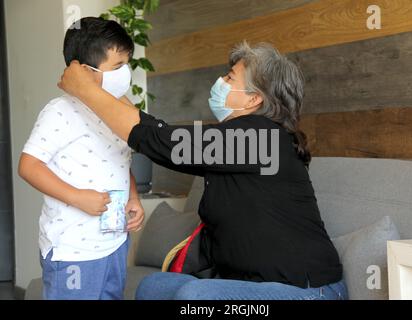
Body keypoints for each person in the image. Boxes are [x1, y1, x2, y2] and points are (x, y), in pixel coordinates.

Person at [57, 41, 348, 300]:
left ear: (253, 99)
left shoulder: (261, 137)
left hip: (308, 292)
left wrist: (85, 90)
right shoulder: (236, 142)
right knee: (153, 287)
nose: (220, 81)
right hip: (251, 286)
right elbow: (159, 132)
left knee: (196, 296)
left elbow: (162, 142)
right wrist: (104, 85)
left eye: (229, 77)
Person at [18, 17, 145, 300]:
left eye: (127, 64)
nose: (125, 73)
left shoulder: (116, 113)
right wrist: (77, 197)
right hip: (73, 247)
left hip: (114, 243)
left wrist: (133, 197)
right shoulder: (60, 111)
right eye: (118, 66)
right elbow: (28, 165)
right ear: (83, 71)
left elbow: (122, 161)